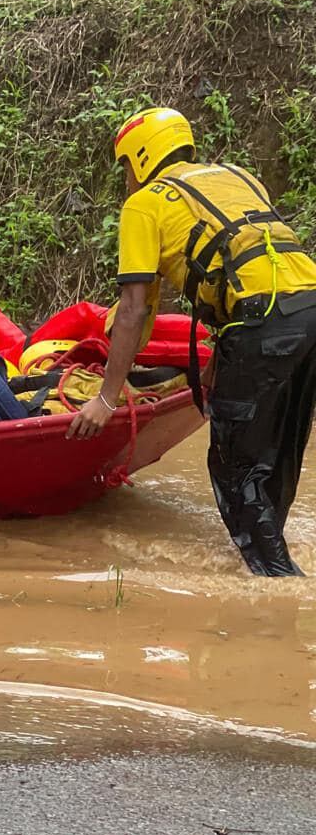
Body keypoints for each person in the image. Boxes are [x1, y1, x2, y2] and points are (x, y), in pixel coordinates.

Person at [67, 106, 316, 577]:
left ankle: (279, 588)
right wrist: (221, 360)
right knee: (278, 452)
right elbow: (246, 267)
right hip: (307, 309)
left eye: (126, 168)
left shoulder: (145, 204)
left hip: (261, 324)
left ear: (141, 156)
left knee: (234, 465)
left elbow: (135, 309)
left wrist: (106, 397)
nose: (127, 180)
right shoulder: (235, 176)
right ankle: (269, 557)